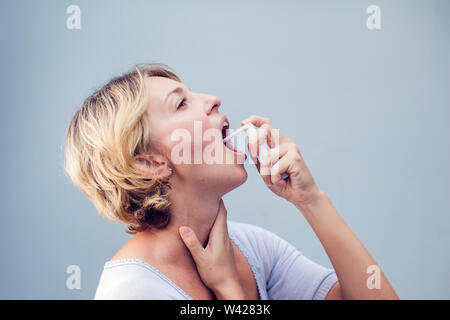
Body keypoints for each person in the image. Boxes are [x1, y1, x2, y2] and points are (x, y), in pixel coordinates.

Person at [64, 63, 399, 300]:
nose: (213, 99)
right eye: (181, 103)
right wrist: (231, 292)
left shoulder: (251, 248)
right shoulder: (133, 292)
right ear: (150, 162)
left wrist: (310, 200)